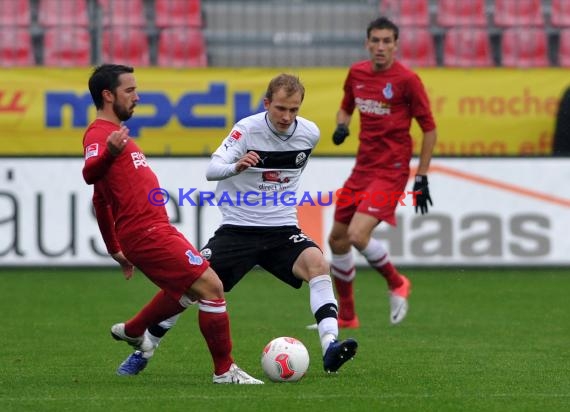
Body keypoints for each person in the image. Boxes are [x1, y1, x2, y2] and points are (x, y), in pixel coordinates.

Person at [115, 73, 358, 377]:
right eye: (281, 108)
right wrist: (236, 166)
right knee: (189, 287)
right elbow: (212, 169)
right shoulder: (246, 130)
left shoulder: (309, 133)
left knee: (319, 266)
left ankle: (330, 346)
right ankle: (145, 348)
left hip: (282, 229)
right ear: (267, 103)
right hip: (238, 230)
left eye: (294, 110)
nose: (287, 116)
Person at [82, 64, 263, 384]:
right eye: (130, 90)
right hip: (146, 232)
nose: (137, 97)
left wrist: (115, 250)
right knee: (212, 287)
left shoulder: (118, 137)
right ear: (108, 96)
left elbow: (100, 199)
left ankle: (135, 329)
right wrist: (109, 154)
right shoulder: (99, 136)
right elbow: (90, 175)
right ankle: (224, 371)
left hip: (152, 230)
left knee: (188, 290)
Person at [326, 16, 437, 328]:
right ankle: (347, 317)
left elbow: (429, 129)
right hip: (363, 167)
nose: (380, 47)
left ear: (396, 45)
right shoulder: (357, 73)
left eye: (387, 41)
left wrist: (422, 176)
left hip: (392, 169)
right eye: (375, 40)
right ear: (367, 43)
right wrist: (341, 126)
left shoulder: (407, 80)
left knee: (357, 234)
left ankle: (397, 281)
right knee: (336, 240)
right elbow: (346, 106)